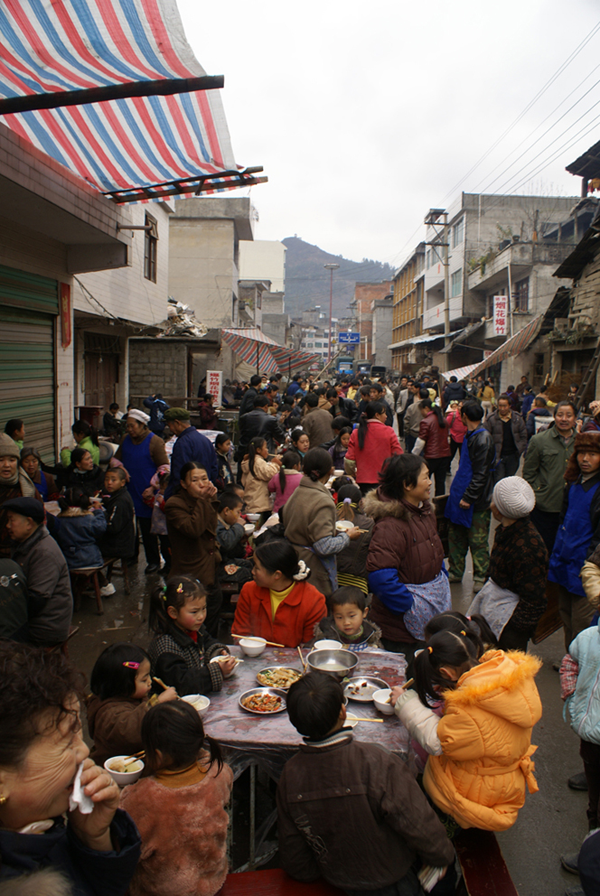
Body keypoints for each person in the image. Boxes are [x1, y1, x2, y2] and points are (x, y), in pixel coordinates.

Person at [276, 671, 455, 893]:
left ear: (294, 722)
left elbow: (294, 853)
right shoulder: (377, 761)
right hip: (392, 882)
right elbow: (417, 822)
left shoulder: (290, 774)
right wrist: (443, 856)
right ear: (342, 712)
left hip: (334, 879)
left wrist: (319, 875)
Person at [0, 641, 141, 893]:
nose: (84, 751)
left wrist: (93, 839)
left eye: (79, 733)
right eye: (67, 740)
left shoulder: (45, 828)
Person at [391, 628, 542, 831]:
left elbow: (438, 742)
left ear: (447, 673)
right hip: (506, 780)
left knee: (438, 824)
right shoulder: (505, 673)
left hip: (476, 789)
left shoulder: (469, 707)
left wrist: (406, 703)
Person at [119, 701, 233, 896]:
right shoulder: (219, 772)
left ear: (157, 756)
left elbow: (125, 852)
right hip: (213, 881)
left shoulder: (142, 798)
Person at [365, 454, 451, 662]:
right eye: (425, 477)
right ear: (407, 484)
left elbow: (434, 549)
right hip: (399, 631)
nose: (430, 482)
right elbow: (380, 578)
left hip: (424, 619)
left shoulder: (424, 511)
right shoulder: (391, 526)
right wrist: (410, 607)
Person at [470, 477, 549, 651]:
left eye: (493, 500)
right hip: (497, 614)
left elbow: (534, 600)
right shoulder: (508, 531)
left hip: (509, 628)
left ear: (499, 510)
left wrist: (513, 630)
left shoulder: (528, 546)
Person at [283, 448, 361, 597]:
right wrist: (347, 536)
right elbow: (323, 546)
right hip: (312, 570)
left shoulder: (298, 491)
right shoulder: (322, 501)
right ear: (329, 471)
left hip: (295, 560)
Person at [548, 432, 600, 650]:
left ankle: (582, 664)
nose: (585, 459)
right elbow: (563, 519)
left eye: (592, 454)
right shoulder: (574, 483)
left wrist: (589, 565)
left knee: (582, 624)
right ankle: (570, 659)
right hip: (564, 563)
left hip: (584, 568)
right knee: (566, 616)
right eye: (581, 453)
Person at [86, 643, 177, 766]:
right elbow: (130, 731)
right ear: (123, 684)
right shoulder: (108, 713)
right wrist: (157, 703)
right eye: (144, 680)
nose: (150, 681)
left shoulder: (133, 696)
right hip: (118, 769)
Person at [559, 621, 600, 879]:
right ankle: (591, 856)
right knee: (594, 803)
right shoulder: (589, 638)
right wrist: (573, 698)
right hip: (591, 740)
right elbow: (570, 663)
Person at [4, 496, 73, 647]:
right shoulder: (23, 542)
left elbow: (37, 600)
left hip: (45, 626)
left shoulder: (44, 552)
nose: (8, 525)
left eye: (12, 520)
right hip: (33, 618)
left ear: (29, 523)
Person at [148, 575, 234, 695]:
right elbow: (182, 684)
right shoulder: (166, 647)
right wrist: (217, 670)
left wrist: (218, 652)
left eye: (204, 608)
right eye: (194, 611)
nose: (201, 616)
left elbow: (207, 641)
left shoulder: (192, 628)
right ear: (173, 612)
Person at [232, 539, 326, 647]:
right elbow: (240, 633)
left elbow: (309, 646)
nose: (252, 571)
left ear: (277, 575)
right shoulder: (249, 591)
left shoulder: (313, 601)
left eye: (257, 568)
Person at [164, 462, 222, 635]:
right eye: (195, 480)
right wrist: (204, 501)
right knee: (190, 623)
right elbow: (193, 530)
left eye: (204, 479)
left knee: (211, 618)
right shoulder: (174, 504)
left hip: (210, 567)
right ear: (183, 483)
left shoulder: (206, 498)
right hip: (190, 571)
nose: (201, 484)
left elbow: (211, 529)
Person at [445, 401, 495, 593]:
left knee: (478, 540)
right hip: (459, 496)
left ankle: (481, 576)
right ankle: (455, 571)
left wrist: (469, 497)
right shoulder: (470, 435)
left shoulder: (483, 439)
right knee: (456, 537)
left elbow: (481, 474)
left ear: (464, 416)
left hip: (476, 501)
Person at [113, 408, 169, 574]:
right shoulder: (125, 439)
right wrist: (121, 468)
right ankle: (131, 556)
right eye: (128, 426)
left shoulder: (155, 441)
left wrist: (153, 487)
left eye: (133, 426)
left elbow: (164, 468)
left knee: (147, 529)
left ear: (143, 425)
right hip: (129, 491)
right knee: (130, 528)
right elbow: (115, 460)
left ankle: (153, 561)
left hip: (146, 494)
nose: (129, 429)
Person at [522, 400, 577, 553]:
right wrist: (537, 494)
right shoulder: (539, 440)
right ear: (554, 416)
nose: (564, 419)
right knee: (542, 548)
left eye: (568, 415)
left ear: (575, 418)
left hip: (572, 507)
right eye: (560, 415)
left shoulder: (581, 442)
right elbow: (529, 473)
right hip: (545, 506)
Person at [344, 401, 402, 494]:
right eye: (384, 413)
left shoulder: (357, 432)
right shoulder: (389, 431)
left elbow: (349, 460)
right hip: (384, 479)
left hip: (363, 480)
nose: (386, 416)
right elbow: (398, 456)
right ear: (377, 415)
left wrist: (352, 472)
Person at [0, 434, 40, 556]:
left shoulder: (27, 488)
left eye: (12, 460)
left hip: (22, 552)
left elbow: (40, 521)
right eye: (1, 460)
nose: (7, 465)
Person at [313, 585, 382, 650]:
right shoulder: (326, 634)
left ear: (364, 612)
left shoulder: (370, 636)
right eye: (339, 617)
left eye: (352, 616)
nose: (346, 623)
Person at [96, 468, 136, 573]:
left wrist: (100, 511)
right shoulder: (115, 496)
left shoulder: (120, 501)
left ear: (122, 482)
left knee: (87, 547)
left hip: (118, 545)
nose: (109, 483)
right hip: (118, 541)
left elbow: (112, 527)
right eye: (107, 479)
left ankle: (98, 579)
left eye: (113, 480)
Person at [484, 393, 528, 482]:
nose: (502, 409)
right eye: (500, 406)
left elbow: (523, 436)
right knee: (499, 480)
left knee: (509, 481)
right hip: (498, 456)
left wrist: (519, 450)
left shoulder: (517, 419)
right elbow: (485, 437)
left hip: (512, 456)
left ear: (509, 406)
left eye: (505, 406)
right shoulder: (491, 419)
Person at [412, 399, 451, 497]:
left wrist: (413, 455)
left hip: (431, 457)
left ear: (426, 408)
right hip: (445, 455)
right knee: (440, 482)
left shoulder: (426, 422)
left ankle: (424, 501)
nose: (421, 413)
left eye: (421, 410)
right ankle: (439, 501)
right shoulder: (443, 420)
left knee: (424, 480)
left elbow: (421, 442)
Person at [216, 492, 252, 586]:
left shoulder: (225, 524)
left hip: (225, 560)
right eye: (237, 512)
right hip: (216, 567)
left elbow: (235, 554)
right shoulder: (216, 523)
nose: (239, 516)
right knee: (247, 573)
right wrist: (238, 526)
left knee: (250, 565)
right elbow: (226, 543)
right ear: (226, 511)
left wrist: (240, 543)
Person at [241, 436, 282, 517]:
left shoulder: (250, 461)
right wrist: (275, 463)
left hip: (252, 502)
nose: (267, 450)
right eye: (265, 447)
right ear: (258, 450)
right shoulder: (258, 461)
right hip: (259, 504)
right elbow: (271, 474)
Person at [403, 386, 429, 453]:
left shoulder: (411, 407)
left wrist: (407, 432)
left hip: (413, 433)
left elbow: (406, 421)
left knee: (413, 454)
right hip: (427, 434)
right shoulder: (432, 407)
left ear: (419, 395)